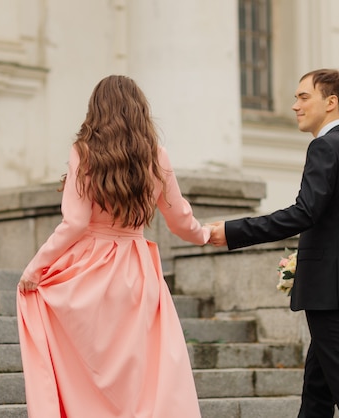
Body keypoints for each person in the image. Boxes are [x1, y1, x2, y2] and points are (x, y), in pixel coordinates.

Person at [17, 75, 209, 418]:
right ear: (140, 111)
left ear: (97, 110)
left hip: (89, 269)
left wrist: (37, 265)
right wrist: (206, 234)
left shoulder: (84, 152)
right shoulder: (157, 156)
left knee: (90, 371)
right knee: (140, 372)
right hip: (137, 272)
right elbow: (180, 219)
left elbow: (74, 222)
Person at [208, 69, 339, 417]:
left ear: (331, 102)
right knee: (317, 394)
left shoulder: (325, 146)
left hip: (331, 294)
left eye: (304, 97)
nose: (294, 106)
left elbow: (304, 212)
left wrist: (233, 231)